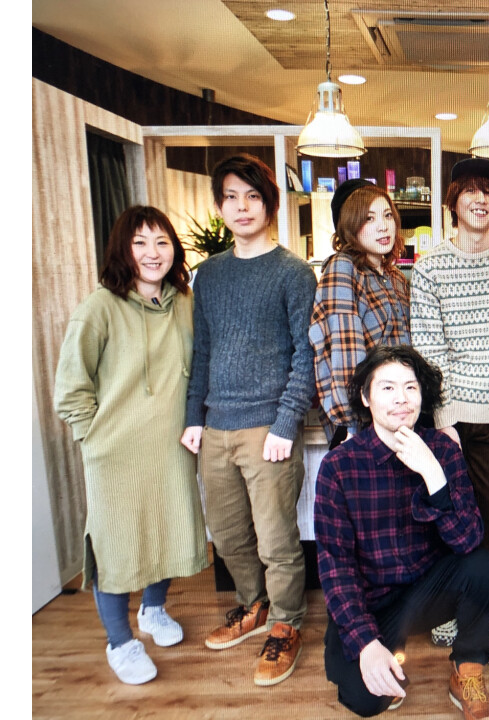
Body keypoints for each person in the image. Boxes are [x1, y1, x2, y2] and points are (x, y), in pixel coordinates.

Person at [53, 206, 208, 685]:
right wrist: (96, 438)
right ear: (122, 249)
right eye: (140, 242)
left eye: (162, 242)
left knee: (167, 530)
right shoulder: (98, 308)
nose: (152, 253)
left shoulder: (185, 302)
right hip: (115, 455)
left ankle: (153, 610)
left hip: (172, 448)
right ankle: (120, 642)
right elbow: (70, 391)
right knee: (117, 545)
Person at [180, 153, 317, 686]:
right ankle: (252, 604)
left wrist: (286, 423)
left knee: (276, 540)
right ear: (220, 207)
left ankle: (286, 623)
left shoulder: (293, 272)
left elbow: (306, 355)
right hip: (216, 427)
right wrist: (194, 416)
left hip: (268, 428)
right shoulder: (209, 275)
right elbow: (203, 350)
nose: (241, 207)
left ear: (269, 205)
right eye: (231, 197)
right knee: (229, 535)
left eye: (252, 196)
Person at [315, 345, 489, 720]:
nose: (401, 399)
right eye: (387, 388)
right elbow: (335, 567)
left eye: (411, 387)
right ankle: (382, 647)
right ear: (366, 397)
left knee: (483, 566)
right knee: (364, 700)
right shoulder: (339, 466)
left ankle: (467, 670)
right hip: (373, 601)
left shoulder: (443, 451)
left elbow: (468, 540)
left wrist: (433, 475)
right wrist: (366, 643)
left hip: (426, 591)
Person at [410, 157, 489, 667]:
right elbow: (428, 349)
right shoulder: (429, 267)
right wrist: (442, 419)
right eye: (470, 191)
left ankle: (482, 623)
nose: (480, 200)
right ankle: (451, 611)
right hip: (446, 420)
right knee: (445, 520)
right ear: (454, 200)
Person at [309, 179, 410, 448]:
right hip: (363, 425)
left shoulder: (396, 277)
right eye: (369, 218)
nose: (383, 226)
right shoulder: (343, 268)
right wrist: (352, 425)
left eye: (387, 215)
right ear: (350, 226)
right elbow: (346, 352)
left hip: (399, 417)